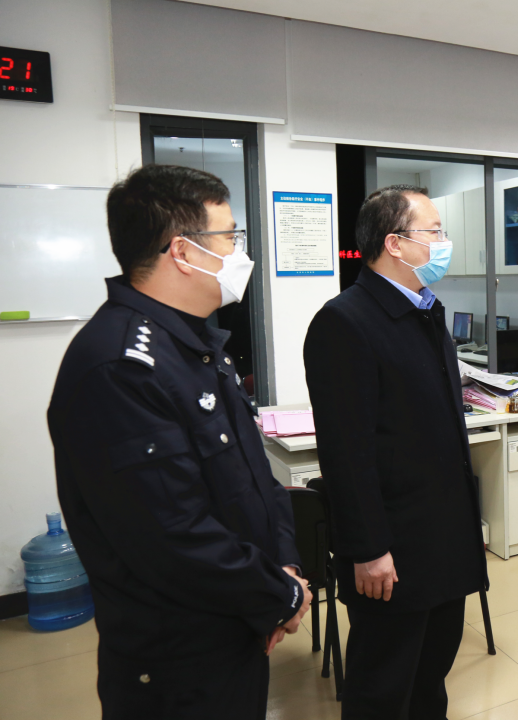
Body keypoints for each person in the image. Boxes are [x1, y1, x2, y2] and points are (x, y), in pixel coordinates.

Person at [47, 164, 312, 720]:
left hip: (238, 627)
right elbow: (171, 536)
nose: (240, 252)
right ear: (184, 252)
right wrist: (279, 595)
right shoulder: (120, 367)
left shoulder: (196, 346)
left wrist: (283, 569)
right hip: (178, 659)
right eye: (231, 237)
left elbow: (255, 478)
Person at [304, 185, 487, 719]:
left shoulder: (425, 312)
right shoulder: (345, 321)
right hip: (392, 552)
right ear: (395, 243)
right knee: (383, 688)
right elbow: (346, 453)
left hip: (443, 542)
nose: (444, 242)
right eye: (435, 231)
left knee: (431, 678)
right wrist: (368, 549)